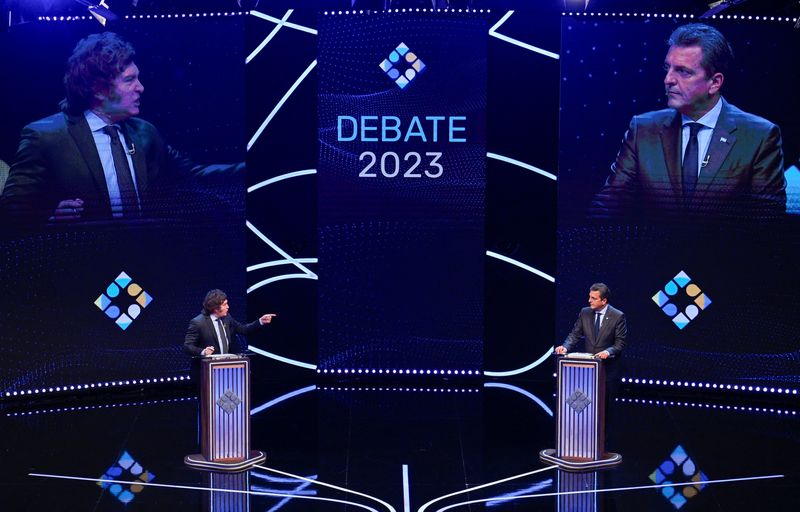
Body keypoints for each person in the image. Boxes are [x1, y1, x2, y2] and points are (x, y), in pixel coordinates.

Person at [0, 32, 240, 225]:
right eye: (129, 80)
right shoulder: (45, 137)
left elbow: (194, 176)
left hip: (142, 259)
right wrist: (50, 217)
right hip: (78, 266)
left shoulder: (145, 133)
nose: (141, 88)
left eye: (138, 78)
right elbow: (11, 210)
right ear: (97, 89)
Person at [590, 23, 786, 221]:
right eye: (668, 68)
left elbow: (767, 223)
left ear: (715, 83)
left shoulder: (759, 136)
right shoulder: (642, 129)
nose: (668, 79)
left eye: (683, 71)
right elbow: (610, 204)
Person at [184, 289, 276, 357]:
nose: (228, 307)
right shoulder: (198, 322)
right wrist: (203, 351)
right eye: (225, 304)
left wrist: (260, 321)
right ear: (215, 308)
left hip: (226, 368)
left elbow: (244, 329)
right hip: (206, 371)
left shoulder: (227, 318)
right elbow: (188, 346)